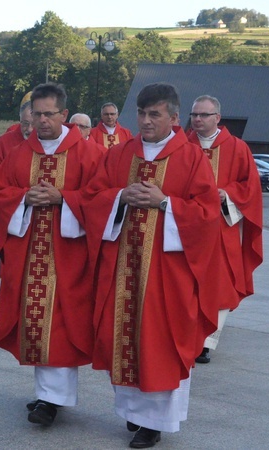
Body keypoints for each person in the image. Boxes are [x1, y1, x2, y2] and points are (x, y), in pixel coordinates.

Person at [81, 83, 221, 448]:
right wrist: (119, 197)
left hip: (167, 273)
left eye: (154, 114)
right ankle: (133, 413)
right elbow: (92, 198)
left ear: (174, 119)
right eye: (141, 113)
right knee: (124, 335)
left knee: (160, 341)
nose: (145, 121)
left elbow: (208, 217)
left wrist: (165, 204)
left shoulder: (191, 159)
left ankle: (154, 422)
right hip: (123, 267)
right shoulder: (119, 154)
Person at [0, 83, 104, 428]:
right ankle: (48, 396)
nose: (41, 120)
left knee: (61, 325)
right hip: (30, 257)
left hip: (69, 258)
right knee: (37, 324)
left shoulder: (88, 153)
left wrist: (63, 198)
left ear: (64, 115)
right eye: (35, 114)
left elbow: (99, 198)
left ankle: (52, 399)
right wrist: (23, 197)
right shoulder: (21, 153)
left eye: (48, 114)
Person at [187, 95, 263, 363]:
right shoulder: (182, 145)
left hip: (222, 226)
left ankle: (207, 341)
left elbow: (251, 187)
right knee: (187, 281)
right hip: (188, 227)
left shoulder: (237, 148)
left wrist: (226, 194)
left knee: (219, 283)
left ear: (217, 118)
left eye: (204, 115)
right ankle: (187, 334)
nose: (197, 119)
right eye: (194, 114)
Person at [0, 92, 33, 185]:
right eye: (25, 123)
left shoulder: (52, 142)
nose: (29, 129)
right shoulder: (4, 143)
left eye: (34, 124)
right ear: (20, 119)